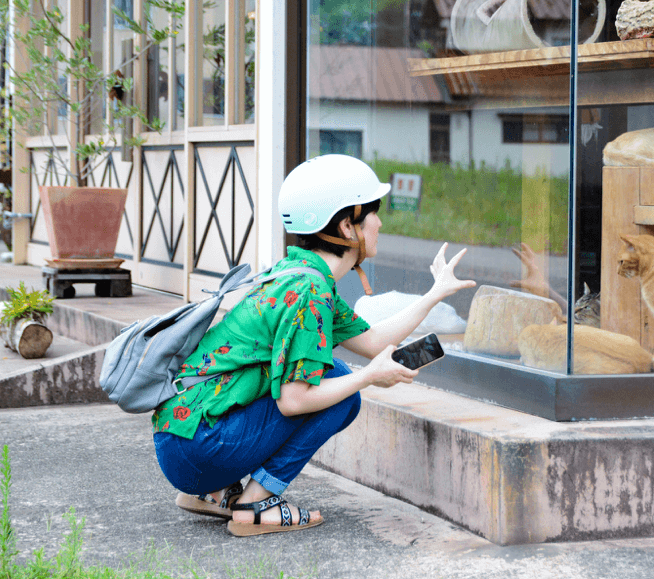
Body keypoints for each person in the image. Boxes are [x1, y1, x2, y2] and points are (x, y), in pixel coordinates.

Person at [152, 154, 476, 537]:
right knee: (342, 388)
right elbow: (293, 400)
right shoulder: (309, 292)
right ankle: (257, 503)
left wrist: (433, 295)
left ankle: (215, 493)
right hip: (201, 446)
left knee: (336, 377)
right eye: (372, 212)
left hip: (182, 443)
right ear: (346, 225)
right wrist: (369, 377)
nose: (380, 222)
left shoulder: (299, 275)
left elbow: (372, 341)